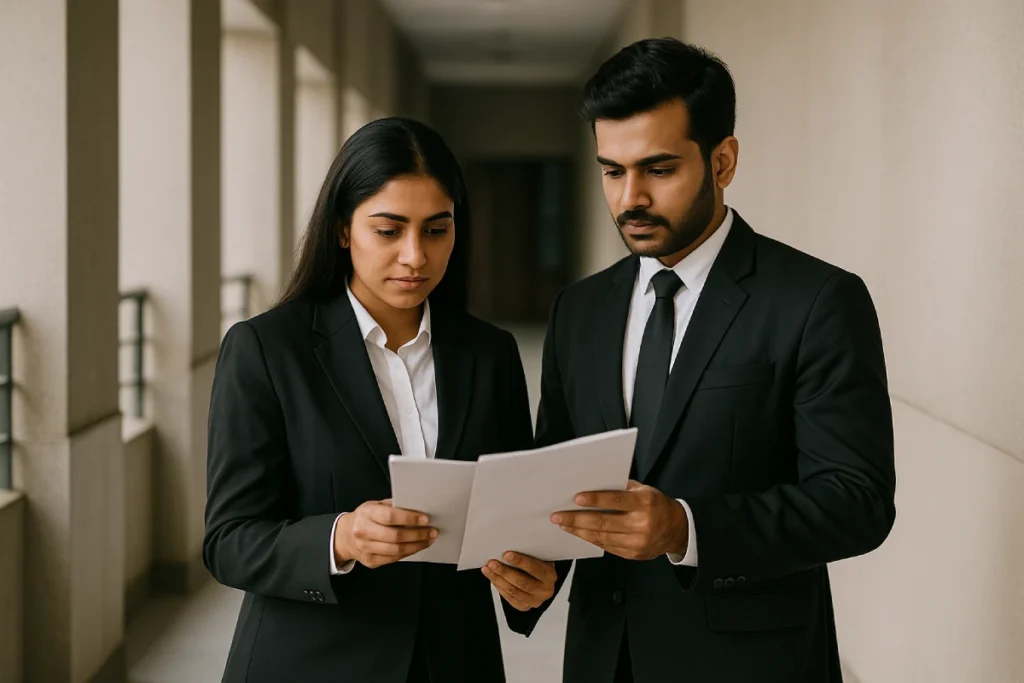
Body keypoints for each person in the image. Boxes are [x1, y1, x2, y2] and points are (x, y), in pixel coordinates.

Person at [529, 38, 897, 682]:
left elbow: (856, 501)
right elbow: (559, 484)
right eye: (612, 171)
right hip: (602, 658)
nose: (630, 198)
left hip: (749, 662)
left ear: (722, 161)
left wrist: (685, 527)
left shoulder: (816, 300)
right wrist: (534, 573)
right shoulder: (579, 311)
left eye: (659, 169)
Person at [203, 117, 558, 683]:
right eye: (389, 231)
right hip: (309, 663)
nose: (415, 256)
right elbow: (229, 540)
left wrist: (536, 583)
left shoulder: (491, 355)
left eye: (436, 230)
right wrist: (338, 537)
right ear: (344, 230)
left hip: (455, 661)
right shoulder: (267, 349)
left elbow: (518, 518)